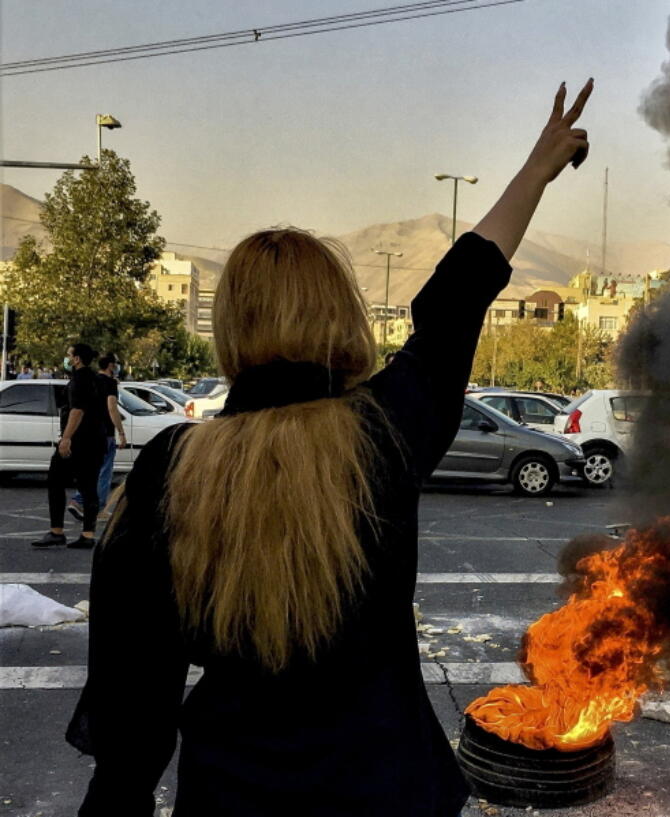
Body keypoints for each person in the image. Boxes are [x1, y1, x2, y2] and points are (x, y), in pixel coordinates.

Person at [67, 79, 594, 817]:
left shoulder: (171, 470)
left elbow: (132, 713)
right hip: (390, 792)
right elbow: (456, 299)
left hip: (232, 798)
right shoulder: (383, 433)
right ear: (341, 314)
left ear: (231, 328)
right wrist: (536, 170)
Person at [31, 343, 108, 549]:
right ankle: (87, 534)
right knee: (89, 487)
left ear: (76, 359)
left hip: (79, 442)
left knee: (55, 480)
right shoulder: (97, 379)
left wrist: (66, 439)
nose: (66, 358)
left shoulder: (79, 380)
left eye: (69, 355)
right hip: (96, 440)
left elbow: (77, 411)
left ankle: (57, 531)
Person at [68, 354, 127, 521]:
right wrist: (121, 432)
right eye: (115, 363)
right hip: (105, 433)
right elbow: (111, 406)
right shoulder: (110, 383)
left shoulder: (92, 379)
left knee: (90, 470)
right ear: (110, 365)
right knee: (104, 472)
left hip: (89, 431)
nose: (116, 366)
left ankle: (78, 500)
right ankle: (98, 509)